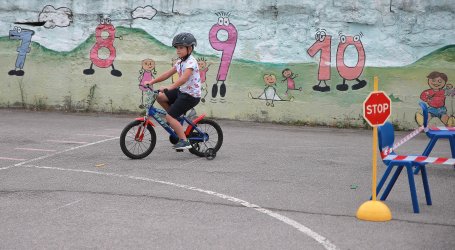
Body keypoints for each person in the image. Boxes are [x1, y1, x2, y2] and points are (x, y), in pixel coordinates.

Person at [144, 33, 201, 149]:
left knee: (169, 117)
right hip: (182, 91)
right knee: (159, 96)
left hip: (191, 96)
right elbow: (168, 74)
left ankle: (184, 141)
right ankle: (175, 118)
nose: (178, 50)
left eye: (181, 48)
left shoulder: (191, 62)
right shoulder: (180, 62)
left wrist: (169, 87)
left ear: (189, 48)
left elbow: (184, 78)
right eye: (177, 48)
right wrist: (153, 81)